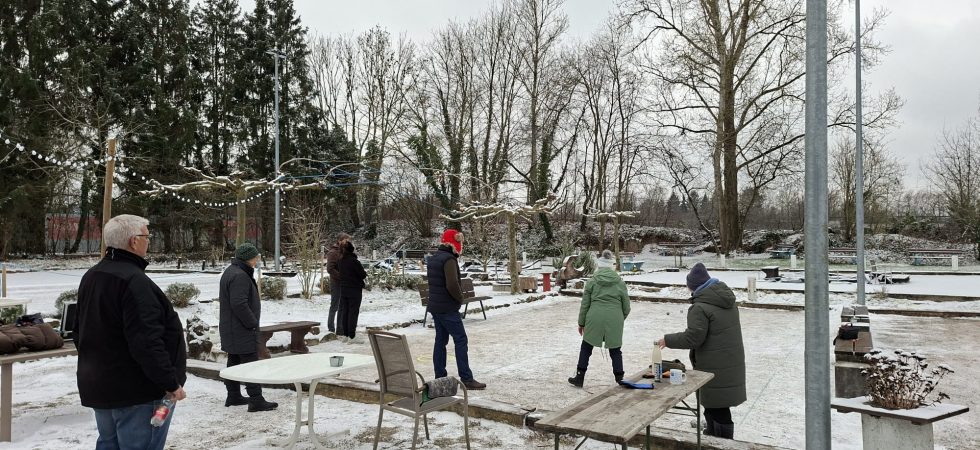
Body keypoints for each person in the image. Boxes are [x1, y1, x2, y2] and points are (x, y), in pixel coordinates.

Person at [75, 214, 187, 450]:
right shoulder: (134, 281)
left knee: (109, 444)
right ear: (134, 241)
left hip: (102, 385)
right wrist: (170, 381)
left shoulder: (93, 275)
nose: (149, 241)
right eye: (147, 236)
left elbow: (80, 331)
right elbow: (146, 341)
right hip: (137, 392)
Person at [657, 262, 745, 439]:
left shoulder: (700, 307)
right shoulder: (725, 300)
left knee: (717, 406)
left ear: (693, 286)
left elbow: (693, 338)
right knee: (716, 404)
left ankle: (723, 443)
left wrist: (667, 339)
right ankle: (713, 435)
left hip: (714, 363)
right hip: (728, 360)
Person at [219, 242, 278, 412]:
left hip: (232, 328)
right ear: (248, 258)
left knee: (235, 361)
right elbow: (239, 304)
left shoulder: (232, 271)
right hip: (241, 329)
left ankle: (233, 395)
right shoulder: (240, 276)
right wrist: (252, 323)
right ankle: (256, 400)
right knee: (251, 365)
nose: (258, 259)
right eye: (256, 257)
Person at [427, 229, 486, 390]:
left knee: (440, 341)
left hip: (436, 306)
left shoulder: (433, 259)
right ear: (454, 244)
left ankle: (440, 376)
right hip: (447, 308)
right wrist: (460, 299)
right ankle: (466, 378)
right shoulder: (449, 260)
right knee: (460, 339)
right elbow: (452, 284)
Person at [567, 250, 630, 387]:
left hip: (594, 317)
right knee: (615, 349)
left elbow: (585, 305)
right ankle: (619, 378)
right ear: (612, 267)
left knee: (586, 347)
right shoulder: (620, 283)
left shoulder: (592, 282)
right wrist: (619, 318)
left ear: (599, 267)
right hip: (615, 317)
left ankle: (579, 377)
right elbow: (626, 307)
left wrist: (581, 322)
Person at [337, 241, 367, 339]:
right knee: (353, 312)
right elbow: (362, 274)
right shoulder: (354, 261)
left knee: (345, 311)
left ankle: (346, 334)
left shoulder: (341, 260)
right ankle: (352, 335)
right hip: (354, 289)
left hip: (343, 288)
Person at [326, 232, 351, 334]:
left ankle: (340, 328)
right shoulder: (333, 252)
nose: (347, 242)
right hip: (336, 283)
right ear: (340, 240)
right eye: (346, 240)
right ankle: (331, 328)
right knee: (335, 305)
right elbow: (330, 269)